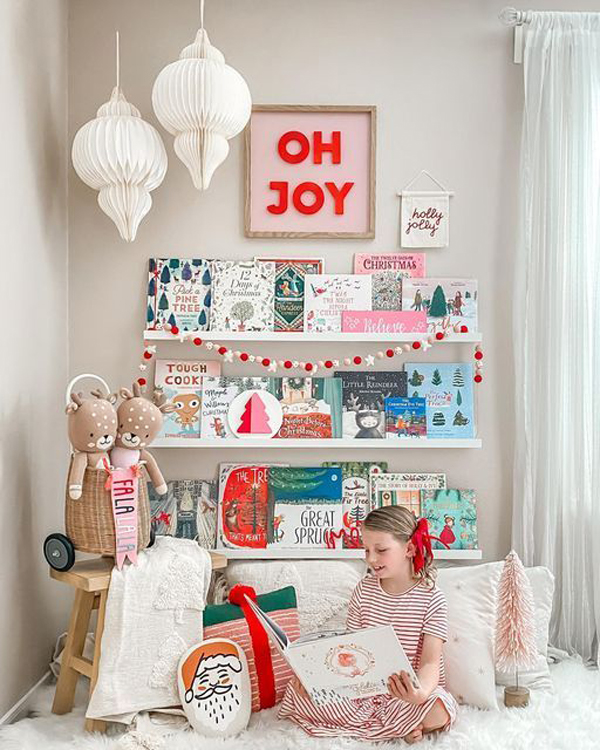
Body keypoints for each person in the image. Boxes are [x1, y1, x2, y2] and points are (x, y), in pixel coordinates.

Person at [279, 506, 458, 743]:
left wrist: (419, 693)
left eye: (381, 550)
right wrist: (315, 680)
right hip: (361, 693)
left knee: (440, 707)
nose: (371, 559)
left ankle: (403, 723)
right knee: (298, 693)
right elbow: (348, 649)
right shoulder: (363, 591)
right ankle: (401, 728)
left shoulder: (432, 598)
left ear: (409, 548)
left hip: (406, 694)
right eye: (366, 550)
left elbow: (430, 663)